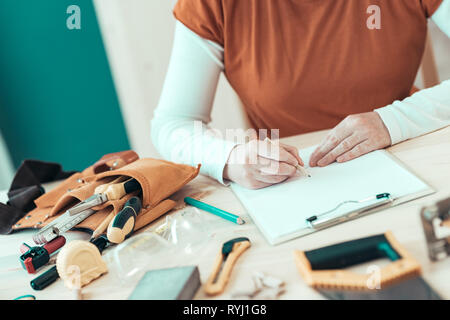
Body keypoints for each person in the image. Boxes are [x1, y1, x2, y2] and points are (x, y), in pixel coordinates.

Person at [152, 0, 450, 189]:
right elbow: (173, 124)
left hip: (409, 155)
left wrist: (392, 121)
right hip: (291, 183)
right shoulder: (212, 4)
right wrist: (230, 158)